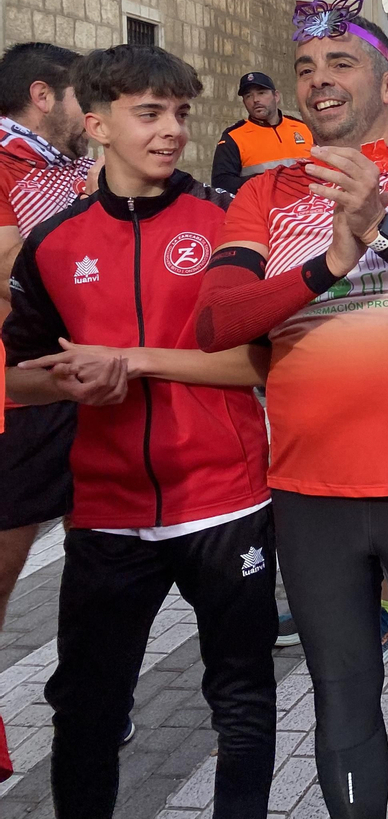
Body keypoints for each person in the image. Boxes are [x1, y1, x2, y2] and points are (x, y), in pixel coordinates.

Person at [194, 0, 388, 819]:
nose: (319, 80)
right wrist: (327, 265)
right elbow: (216, 321)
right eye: (306, 68)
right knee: (341, 707)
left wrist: (386, 231)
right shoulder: (269, 191)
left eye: (340, 63)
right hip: (313, 492)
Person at [4, 44, 274, 819]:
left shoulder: (225, 222)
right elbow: (17, 375)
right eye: (149, 114)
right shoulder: (54, 243)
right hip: (108, 512)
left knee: (243, 702)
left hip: (225, 501)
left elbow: (261, 363)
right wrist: (68, 380)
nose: (172, 131)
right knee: (86, 711)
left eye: (180, 114)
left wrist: (136, 362)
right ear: (96, 125)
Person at [0, 42, 92, 730]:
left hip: (77, 381)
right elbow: (9, 276)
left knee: (99, 552)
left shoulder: (66, 166)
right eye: (82, 98)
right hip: (19, 396)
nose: (92, 113)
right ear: (42, 96)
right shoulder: (4, 162)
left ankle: (86, 694)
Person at [210, 71, 313, 195]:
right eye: (248, 96)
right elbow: (221, 183)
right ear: (244, 102)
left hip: (309, 202)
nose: (255, 100)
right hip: (262, 204)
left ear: (276, 96)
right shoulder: (233, 137)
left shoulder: (303, 128)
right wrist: (267, 182)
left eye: (261, 93)